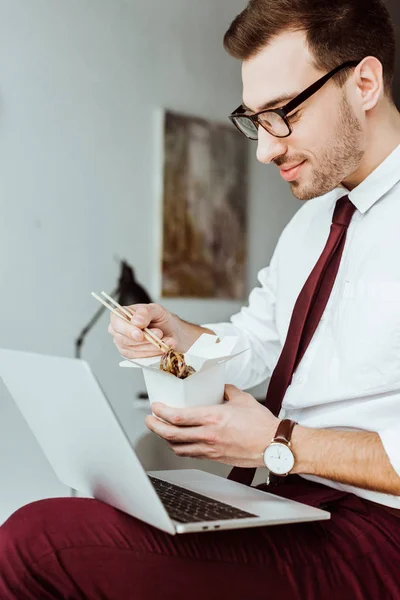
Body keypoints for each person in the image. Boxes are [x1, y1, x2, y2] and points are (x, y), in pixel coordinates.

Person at [1, 0, 400, 597]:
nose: (265, 149)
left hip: (378, 531)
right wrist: (179, 336)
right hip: (288, 503)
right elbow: (265, 344)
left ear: (364, 83)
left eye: (282, 114)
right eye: (254, 119)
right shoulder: (315, 222)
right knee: (92, 512)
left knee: (40, 541)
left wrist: (277, 442)